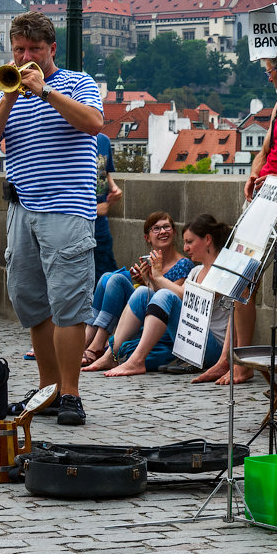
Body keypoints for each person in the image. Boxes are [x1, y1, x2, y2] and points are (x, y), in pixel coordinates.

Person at [0, 11, 103, 427]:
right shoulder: (4, 93)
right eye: (18, 50)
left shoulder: (78, 83)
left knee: (68, 304)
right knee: (33, 305)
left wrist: (44, 91)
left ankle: (71, 393)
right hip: (21, 209)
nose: (25, 56)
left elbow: (94, 124)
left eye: (33, 49)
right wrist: (12, 96)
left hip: (66, 208)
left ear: (50, 49)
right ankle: (48, 390)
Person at [192, 55, 277, 385]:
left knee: (243, 280)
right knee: (234, 278)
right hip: (261, 201)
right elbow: (264, 152)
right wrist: (253, 175)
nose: (269, 79)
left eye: (270, 72)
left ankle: (240, 363)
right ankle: (230, 360)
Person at [84, 214, 232, 377]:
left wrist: (159, 277)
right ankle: (110, 355)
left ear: (208, 240)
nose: (186, 248)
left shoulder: (223, 273)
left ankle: (136, 360)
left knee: (164, 296)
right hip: (189, 339)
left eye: (190, 242)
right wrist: (150, 280)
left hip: (211, 349)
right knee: (140, 291)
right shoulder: (196, 271)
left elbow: (183, 296)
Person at [80, 211, 193, 366]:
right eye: (156, 228)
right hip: (142, 310)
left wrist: (153, 280)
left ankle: (96, 346)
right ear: (147, 237)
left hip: (160, 322)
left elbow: (168, 300)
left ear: (174, 231)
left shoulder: (183, 264)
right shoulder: (151, 261)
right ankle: (87, 342)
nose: (162, 232)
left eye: (166, 227)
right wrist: (145, 279)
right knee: (110, 277)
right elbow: (150, 292)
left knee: (117, 280)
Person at [92, 132, 122, 279]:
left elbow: (103, 172)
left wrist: (114, 188)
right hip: (75, 229)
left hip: (100, 229)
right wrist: (94, 210)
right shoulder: (67, 138)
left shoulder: (103, 140)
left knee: (108, 278)